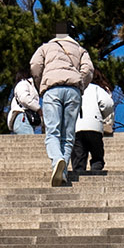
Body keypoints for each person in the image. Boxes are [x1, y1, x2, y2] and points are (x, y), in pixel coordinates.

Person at [29, 30, 94, 186]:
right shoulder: (80, 49)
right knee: (68, 134)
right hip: (73, 90)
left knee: (53, 131)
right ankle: (63, 172)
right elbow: (89, 69)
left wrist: (41, 84)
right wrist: (80, 83)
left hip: (52, 89)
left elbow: (35, 65)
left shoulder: (45, 47)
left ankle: (57, 160)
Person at [72, 75, 116, 174]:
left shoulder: (74, 89)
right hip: (94, 125)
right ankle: (96, 171)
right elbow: (108, 103)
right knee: (97, 153)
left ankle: (78, 175)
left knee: (78, 156)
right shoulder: (96, 88)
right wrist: (103, 115)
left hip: (76, 127)